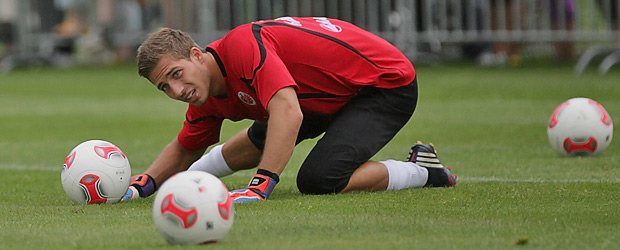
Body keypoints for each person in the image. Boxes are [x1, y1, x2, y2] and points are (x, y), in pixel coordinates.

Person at [123, 17, 456, 203]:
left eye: (176, 75)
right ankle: (192, 181)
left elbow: (289, 113)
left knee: (320, 179)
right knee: (261, 137)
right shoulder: (203, 89)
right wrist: (144, 185)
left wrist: (261, 184)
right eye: (164, 87)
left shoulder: (241, 47)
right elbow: (186, 147)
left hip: (383, 84)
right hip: (320, 96)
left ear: (197, 55)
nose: (176, 91)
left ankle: (425, 171)